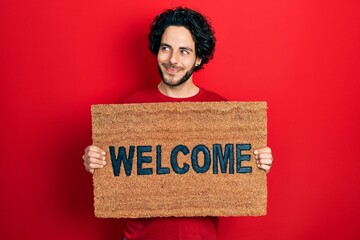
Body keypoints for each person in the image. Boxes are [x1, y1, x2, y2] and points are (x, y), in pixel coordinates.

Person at [82, 6, 273, 240]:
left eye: (184, 51)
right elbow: (114, 171)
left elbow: (235, 171)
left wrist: (257, 161)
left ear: (198, 58)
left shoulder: (221, 111)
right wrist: (94, 160)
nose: (172, 60)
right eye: (166, 48)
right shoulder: (130, 110)